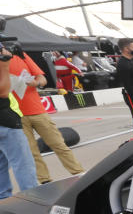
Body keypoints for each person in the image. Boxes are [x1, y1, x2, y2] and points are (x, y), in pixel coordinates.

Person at [8, 44, 84, 183]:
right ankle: (45, 180)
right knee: (32, 152)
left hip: (37, 110)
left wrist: (36, 83)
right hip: (16, 114)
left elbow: (42, 79)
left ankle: (78, 172)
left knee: (58, 144)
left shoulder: (21, 55)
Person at [0, 45, 39, 200]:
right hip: (5, 121)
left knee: (1, 170)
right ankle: (33, 203)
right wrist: (4, 63)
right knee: (23, 166)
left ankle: (3, 205)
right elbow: (3, 92)